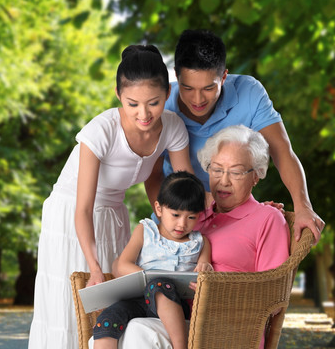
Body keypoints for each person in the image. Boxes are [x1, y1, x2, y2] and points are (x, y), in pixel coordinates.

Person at [28, 44, 193, 349]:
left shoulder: (172, 127)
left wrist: (174, 234)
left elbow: (180, 189)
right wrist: (93, 268)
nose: (144, 114)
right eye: (132, 104)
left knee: (115, 302)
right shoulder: (100, 132)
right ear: (119, 95)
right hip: (73, 214)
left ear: (167, 94)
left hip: (115, 213)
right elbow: (83, 207)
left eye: (154, 103)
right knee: (74, 304)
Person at [118, 125, 290, 348]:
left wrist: (217, 289)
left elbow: (274, 295)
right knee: (109, 332)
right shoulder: (194, 216)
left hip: (225, 326)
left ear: (255, 176)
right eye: (216, 169)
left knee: (138, 329)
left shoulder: (268, 218)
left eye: (236, 172)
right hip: (174, 313)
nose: (224, 181)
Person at [153, 29, 324, 243]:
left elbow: (282, 152)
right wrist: (167, 227)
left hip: (235, 219)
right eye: (188, 88)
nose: (197, 99)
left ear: (224, 76)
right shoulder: (161, 106)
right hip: (178, 221)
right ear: (176, 76)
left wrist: (302, 208)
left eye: (208, 88)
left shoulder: (250, 92)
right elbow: (153, 175)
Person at [92, 171, 212, 349]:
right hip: (137, 300)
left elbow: (205, 272)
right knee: (108, 320)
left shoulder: (200, 242)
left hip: (173, 304)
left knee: (159, 286)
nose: (182, 224)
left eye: (191, 217)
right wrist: (146, 276)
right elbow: (123, 264)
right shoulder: (145, 230)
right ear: (159, 209)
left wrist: (205, 268)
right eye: (175, 215)